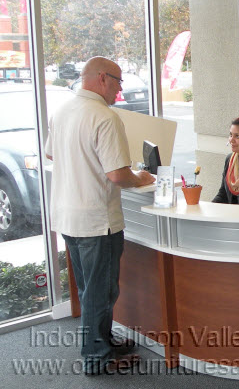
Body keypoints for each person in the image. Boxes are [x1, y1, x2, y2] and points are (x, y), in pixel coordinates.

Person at [45, 57, 155, 375]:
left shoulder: (63, 111)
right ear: (103, 78)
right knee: (101, 293)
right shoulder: (105, 117)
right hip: (96, 221)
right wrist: (141, 178)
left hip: (67, 216)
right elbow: (118, 175)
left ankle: (102, 342)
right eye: (119, 82)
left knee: (89, 290)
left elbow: (52, 153)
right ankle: (98, 358)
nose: (120, 90)